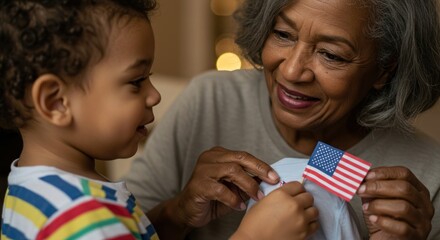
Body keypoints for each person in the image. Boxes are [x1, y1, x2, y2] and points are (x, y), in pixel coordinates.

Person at [0, 1, 320, 239]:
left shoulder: (37, 191)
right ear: (55, 101)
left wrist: (178, 214)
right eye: (136, 81)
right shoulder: (87, 222)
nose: (154, 96)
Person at [125, 0, 440, 239]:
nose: (291, 71)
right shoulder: (210, 101)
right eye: (283, 34)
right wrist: (178, 211)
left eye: (331, 55)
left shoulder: (428, 174)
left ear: (385, 69)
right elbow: (111, 228)